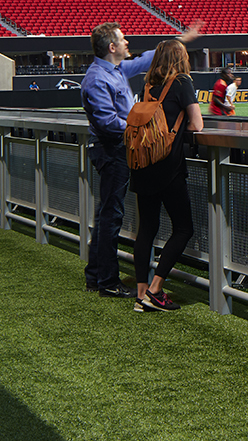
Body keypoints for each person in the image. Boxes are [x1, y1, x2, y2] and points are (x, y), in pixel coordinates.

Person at [82, 20, 204, 298]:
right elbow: (107, 122)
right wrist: (142, 130)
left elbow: (150, 58)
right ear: (112, 47)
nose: (128, 44)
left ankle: (98, 276)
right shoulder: (98, 78)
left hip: (121, 149)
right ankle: (105, 281)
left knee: (112, 215)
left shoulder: (115, 69)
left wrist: (181, 40)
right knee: (110, 215)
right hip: (112, 149)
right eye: (123, 40)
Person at [130, 40, 204, 313]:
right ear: (180, 59)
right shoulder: (182, 82)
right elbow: (197, 124)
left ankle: (141, 293)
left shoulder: (147, 85)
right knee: (184, 228)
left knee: (146, 228)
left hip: (142, 164)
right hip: (168, 167)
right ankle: (155, 289)